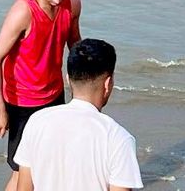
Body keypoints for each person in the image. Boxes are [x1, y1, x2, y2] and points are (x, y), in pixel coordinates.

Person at [0, 0, 82, 191]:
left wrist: (81, 89)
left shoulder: (73, 4)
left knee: (49, 163)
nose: (57, 0)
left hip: (54, 96)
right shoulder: (23, 12)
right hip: (22, 102)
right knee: (22, 170)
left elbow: (74, 44)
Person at [13, 38, 143, 191]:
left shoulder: (37, 121)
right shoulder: (118, 138)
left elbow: (23, 188)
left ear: (68, 79)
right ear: (108, 84)